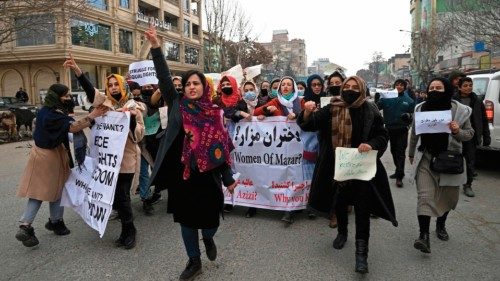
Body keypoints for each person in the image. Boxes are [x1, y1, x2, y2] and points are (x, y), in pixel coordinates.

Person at [145, 25, 237, 280]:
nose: (191, 87)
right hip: (182, 174)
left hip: (207, 177)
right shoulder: (177, 104)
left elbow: (221, 149)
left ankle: (208, 238)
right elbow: (164, 77)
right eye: (187, 84)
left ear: (204, 87)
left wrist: (228, 179)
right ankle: (193, 260)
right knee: (186, 221)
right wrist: (155, 47)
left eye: (196, 83)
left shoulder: (214, 114)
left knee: (210, 222)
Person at [298, 75, 397, 274]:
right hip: (336, 167)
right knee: (340, 203)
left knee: (362, 209)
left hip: (362, 168)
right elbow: (310, 124)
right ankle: (342, 232)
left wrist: (371, 144)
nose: (350, 90)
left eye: (355, 87)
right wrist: (307, 113)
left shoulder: (370, 110)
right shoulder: (333, 107)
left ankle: (362, 255)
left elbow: (382, 135)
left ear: (362, 90)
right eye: (347, 86)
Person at [63, 54, 145, 250]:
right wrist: (77, 71)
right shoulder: (103, 105)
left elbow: (140, 135)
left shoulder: (134, 107)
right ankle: (126, 229)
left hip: (125, 161)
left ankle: (129, 230)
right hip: (106, 162)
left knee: (122, 196)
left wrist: (132, 120)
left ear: (123, 86)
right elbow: (90, 91)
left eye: (117, 84)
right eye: (110, 85)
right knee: (115, 197)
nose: (114, 88)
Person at [15, 84, 108, 247]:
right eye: (65, 96)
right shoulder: (53, 114)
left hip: (41, 153)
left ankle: (53, 222)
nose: (68, 98)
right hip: (50, 156)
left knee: (49, 189)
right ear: (56, 97)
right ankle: (29, 224)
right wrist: (93, 115)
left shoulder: (46, 110)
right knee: (50, 190)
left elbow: (65, 125)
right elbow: (72, 127)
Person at [408, 77, 474, 254]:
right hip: (426, 158)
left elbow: (469, 134)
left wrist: (457, 130)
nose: (435, 90)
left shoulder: (460, 111)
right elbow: (414, 132)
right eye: (432, 87)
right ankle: (423, 236)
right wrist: (411, 152)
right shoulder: (420, 108)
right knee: (425, 196)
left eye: (439, 87)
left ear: (446, 89)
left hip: (450, 159)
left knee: (448, 197)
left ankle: (441, 224)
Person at [254, 76, 303, 224]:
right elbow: (256, 112)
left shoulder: (300, 102)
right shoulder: (275, 101)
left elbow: (309, 116)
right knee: (281, 175)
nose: (286, 87)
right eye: (283, 85)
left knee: (294, 176)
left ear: (293, 88)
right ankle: (282, 205)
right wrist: (266, 112)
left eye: (289, 85)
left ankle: (290, 209)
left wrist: (298, 115)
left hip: (295, 146)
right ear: (279, 88)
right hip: (278, 147)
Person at [452, 77, 490, 197]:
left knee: (470, 161)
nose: (468, 87)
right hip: (455, 135)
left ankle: (468, 185)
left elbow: (483, 119)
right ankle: (453, 183)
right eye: (465, 85)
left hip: (471, 136)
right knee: (454, 159)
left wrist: (486, 136)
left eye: (470, 85)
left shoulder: (477, 100)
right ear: (459, 87)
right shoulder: (453, 100)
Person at [377, 79, 415, 187]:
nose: (399, 86)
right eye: (397, 84)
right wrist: (377, 100)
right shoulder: (387, 97)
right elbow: (377, 108)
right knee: (393, 151)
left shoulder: (409, 100)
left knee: (400, 153)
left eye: (401, 85)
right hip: (389, 129)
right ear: (394, 86)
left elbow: (413, 115)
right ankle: (398, 171)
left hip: (402, 130)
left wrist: (409, 117)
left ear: (405, 87)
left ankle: (399, 177)